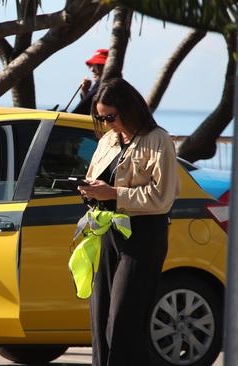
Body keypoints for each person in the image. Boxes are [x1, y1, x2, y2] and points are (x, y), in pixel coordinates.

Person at [77, 78, 180, 366]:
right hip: (107, 230)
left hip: (143, 235)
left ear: (129, 109)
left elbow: (162, 197)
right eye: (101, 117)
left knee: (123, 322)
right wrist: (91, 191)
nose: (107, 123)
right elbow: (99, 177)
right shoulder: (108, 140)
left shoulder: (158, 140)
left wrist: (113, 193)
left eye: (111, 116)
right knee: (100, 321)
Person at [71, 49, 108, 115]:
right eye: (91, 65)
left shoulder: (106, 85)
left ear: (108, 67)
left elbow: (81, 112)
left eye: (98, 65)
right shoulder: (101, 85)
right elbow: (90, 109)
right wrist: (85, 91)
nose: (92, 70)